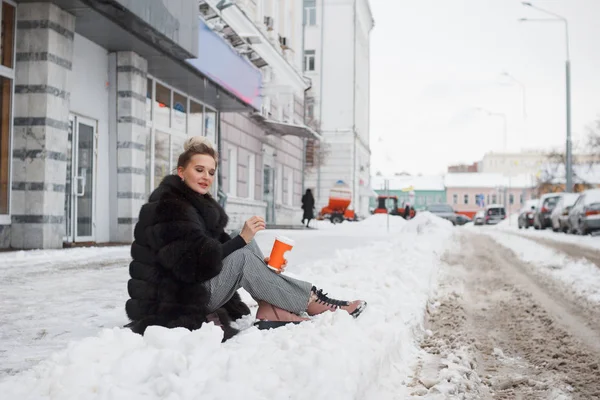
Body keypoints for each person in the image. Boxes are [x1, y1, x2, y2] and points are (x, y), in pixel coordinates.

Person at [126, 136, 366, 341]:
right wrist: (241, 240)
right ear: (181, 172)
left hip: (189, 288)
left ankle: (272, 305)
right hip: (173, 301)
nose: (206, 177)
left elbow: (217, 247)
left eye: (211, 172)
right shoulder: (169, 208)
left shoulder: (194, 204)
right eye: (198, 170)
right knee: (242, 253)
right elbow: (192, 265)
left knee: (244, 245)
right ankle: (310, 302)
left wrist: (265, 264)